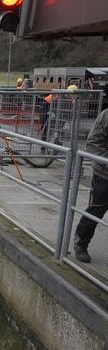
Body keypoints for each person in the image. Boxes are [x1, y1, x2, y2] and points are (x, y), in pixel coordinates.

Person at [73, 107, 108, 263]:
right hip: (104, 176)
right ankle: (80, 243)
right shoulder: (106, 115)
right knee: (95, 210)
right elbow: (93, 144)